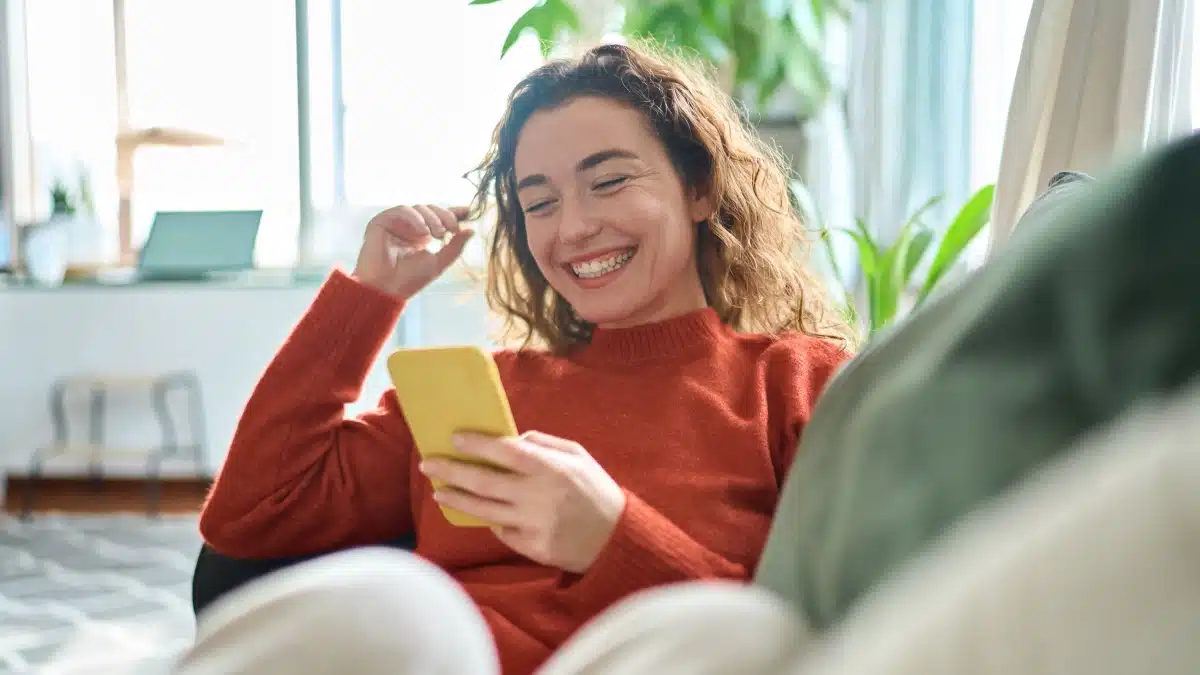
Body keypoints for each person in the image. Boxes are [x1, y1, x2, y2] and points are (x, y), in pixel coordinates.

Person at [187, 42, 853, 675]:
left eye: (609, 181)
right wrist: (369, 297)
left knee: (749, 629)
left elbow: (822, 634)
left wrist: (614, 540)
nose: (573, 228)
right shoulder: (486, 394)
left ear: (699, 188)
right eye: (540, 202)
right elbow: (248, 516)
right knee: (399, 602)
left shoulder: (797, 382)